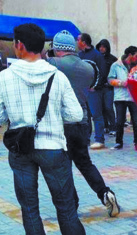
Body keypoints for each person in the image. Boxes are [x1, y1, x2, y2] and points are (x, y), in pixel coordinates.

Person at [0, 23, 102, 235]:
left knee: (30, 208)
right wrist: (52, 115)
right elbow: (74, 113)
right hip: (53, 149)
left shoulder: (6, 76)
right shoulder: (56, 76)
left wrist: (15, 116)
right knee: (65, 205)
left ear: (20, 45)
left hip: (21, 149)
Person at [47, 30, 120, 218]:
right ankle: (105, 193)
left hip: (61, 122)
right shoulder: (89, 67)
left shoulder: (52, 64)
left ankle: (72, 202)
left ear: (57, 48)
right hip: (82, 120)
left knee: (63, 166)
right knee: (85, 163)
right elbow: (92, 87)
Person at [108, 46, 137, 149]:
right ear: (130, 55)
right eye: (136, 56)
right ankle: (119, 142)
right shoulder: (116, 65)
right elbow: (110, 79)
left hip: (133, 97)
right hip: (120, 96)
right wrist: (121, 83)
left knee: (136, 121)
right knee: (120, 121)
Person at [77, 33, 107, 149]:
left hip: (94, 91)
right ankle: (86, 139)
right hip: (82, 91)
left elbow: (102, 72)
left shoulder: (97, 55)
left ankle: (99, 139)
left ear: (84, 42)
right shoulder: (79, 56)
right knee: (85, 116)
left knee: (96, 115)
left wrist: (95, 86)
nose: (77, 42)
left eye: (78, 40)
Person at [95, 38, 118, 136]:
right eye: (100, 46)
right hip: (99, 87)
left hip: (108, 87)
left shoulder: (113, 59)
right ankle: (106, 126)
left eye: (103, 47)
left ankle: (113, 127)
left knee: (109, 107)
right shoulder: (97, 58)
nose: (101, 48)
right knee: (102, 108)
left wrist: (112, 82)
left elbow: (117, 72)